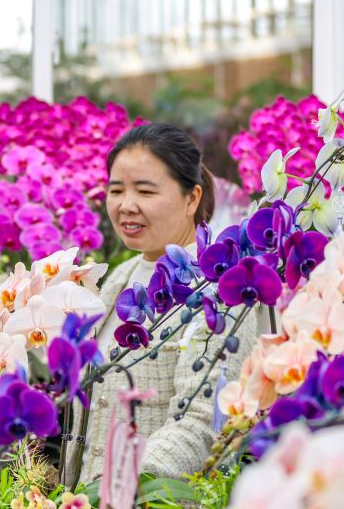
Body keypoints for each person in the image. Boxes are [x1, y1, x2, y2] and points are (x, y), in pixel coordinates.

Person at [79, 123, 258, 483]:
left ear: (192, 198)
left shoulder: (220, 292)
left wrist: (110, 493)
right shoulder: (119, 278)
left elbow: (202, 425)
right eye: (116, 190)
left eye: (145, 191)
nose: (126, 206)